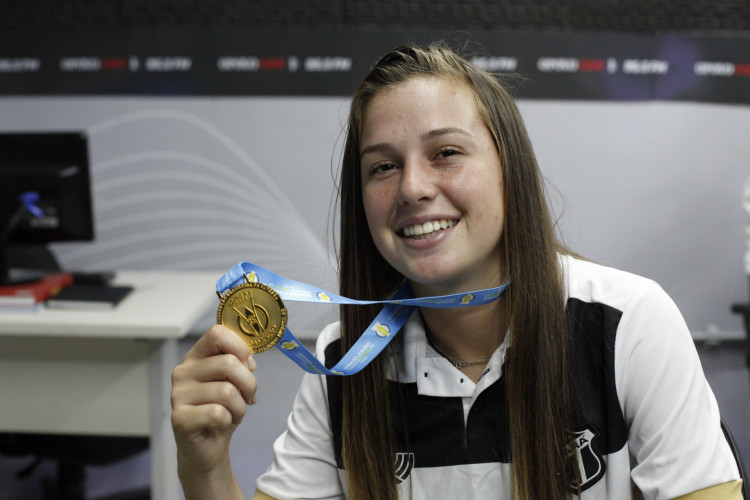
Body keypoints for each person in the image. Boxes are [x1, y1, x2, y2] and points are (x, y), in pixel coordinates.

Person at [171, 43, 743, 500]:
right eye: (383, 166)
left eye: (446, 152)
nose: (414, 188)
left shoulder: (629, 325)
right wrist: (205, 468)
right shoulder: (343, 362)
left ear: (508, 169)